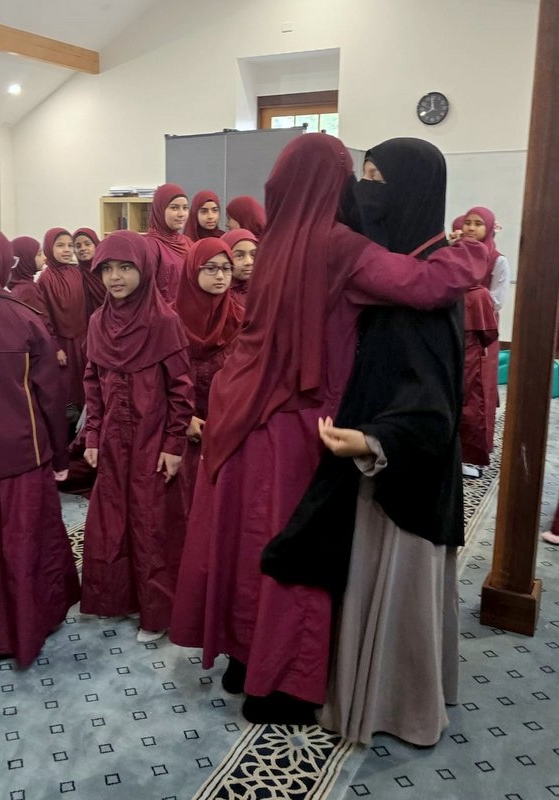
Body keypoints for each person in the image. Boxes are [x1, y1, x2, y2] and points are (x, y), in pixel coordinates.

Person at [168, 133, 489, 725]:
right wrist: (477, 249)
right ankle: (278, 688)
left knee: (245, 545)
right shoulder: (336, 244)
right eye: (354, 177)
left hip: (240, 411)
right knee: (297, 550)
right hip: (296, 420)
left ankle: (243, 660)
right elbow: (425, 286)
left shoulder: (272, 244)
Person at [263, 137, 471, 745]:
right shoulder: (394, 267)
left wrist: (374, 441)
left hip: (401, 471)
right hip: (372, 458)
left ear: (410, 190)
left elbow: (433, 407)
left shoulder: (428, 283)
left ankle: (396, 708)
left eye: (378, 178)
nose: (363, 193)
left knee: (396, 590)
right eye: (363, 176)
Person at [80, 231, 194, 643]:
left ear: (144, 269)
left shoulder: (164, 322)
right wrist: (93, 435)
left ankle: (155, 610)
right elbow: (92, 383)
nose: (115, 277)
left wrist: (174, 445)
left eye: (125, 267)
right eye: (107, 269)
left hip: (152, 440)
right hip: (113, 440)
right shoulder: (98, 322)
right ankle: (120, 597)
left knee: (151, 523)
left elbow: (182, 389)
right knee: (114, 519)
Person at [0, 227, 80, 667]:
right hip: (23, 457)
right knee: (24, 543)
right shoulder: (24, 318)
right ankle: (27, 626)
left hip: (19, 455)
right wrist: (61, 457)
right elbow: (50, 396)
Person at [175, 238, 243, 515]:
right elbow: (158, 379)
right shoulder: (170, 319)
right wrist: (183, 417)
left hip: (225, 423)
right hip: (179, 424)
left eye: (226, 269)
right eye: (211, 268)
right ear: (193, 270)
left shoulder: (241, 319)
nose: (220, 276)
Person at [454, 207, 510, 476]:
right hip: (454, 331)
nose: (471, 228)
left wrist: (472, 295)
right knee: (453, 389)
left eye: (478, 224)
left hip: (481, 334)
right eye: (468, 222)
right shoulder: (454, 254)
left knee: (477, 392)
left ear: (488, 228)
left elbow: (497, 300)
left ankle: (471, 455)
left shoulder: (497, 260)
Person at [37, 227, 88, 413]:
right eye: (60, 245)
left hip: (82, 339)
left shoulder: (77, 272)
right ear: (49, 248)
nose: (67, 250)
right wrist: (56, 347)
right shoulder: (45, 278)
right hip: (62, 343)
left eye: (70, 245)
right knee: (67, 390)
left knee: (85, 385)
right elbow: (44, 316)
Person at [145, 183, 192, 304]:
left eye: (185, 208)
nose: (181, 214)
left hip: (187, 310)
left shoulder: (187, 242)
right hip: (161, 312)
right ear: (160, 210)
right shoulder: (151, 245)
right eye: (174, 208)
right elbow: (147, 291)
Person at [8, 235, 57, 342]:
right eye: (39, 254)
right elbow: (42, 323)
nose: (44, 258)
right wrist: (55, 347)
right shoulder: (27, 290)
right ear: (26, 259)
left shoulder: (20, 286)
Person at [72, 227, 106, 317]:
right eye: (78, 246)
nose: (83, 248)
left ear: (96, 245)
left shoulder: (106, 270)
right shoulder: (74, 274)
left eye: (87, 244)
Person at [222, 228, 258, 306]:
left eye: (253, 255)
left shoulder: (264, 291)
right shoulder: (218, 295)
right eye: (239, 255)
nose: (249, 262)